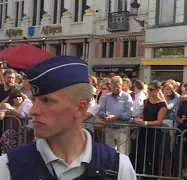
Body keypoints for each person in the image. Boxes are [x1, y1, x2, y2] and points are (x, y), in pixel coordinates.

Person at [0, 56, 136, 180]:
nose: (34, 111)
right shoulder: (9, 167)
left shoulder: (117, 168)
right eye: (34, 100)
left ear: (80, 108)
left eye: (47, 101)